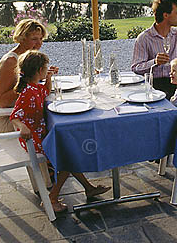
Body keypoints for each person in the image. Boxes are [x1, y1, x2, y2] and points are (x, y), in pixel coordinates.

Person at [10, 50, 110, 213]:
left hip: (39, 133)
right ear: (38, 71)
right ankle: (52, 198)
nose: (47, 70)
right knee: (67, 157)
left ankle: (89, 188)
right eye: (45, 68)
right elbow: (14, 115)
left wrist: (48, 78)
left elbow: (46, 91)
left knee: (70, 150)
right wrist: (22, 126)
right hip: (32, 139)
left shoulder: (35, 86)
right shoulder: (28, 93)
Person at [0, 19, 55, 133]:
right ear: (22, 39)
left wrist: (43, 75)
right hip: (5, 117)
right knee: (50, 123)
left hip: (17, 110)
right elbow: (3, 102)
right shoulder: (11, 61)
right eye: (34, 39)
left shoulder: (28, 58)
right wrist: (29, 82)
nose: (39, 43)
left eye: (41, 39)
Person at [131, 0, 177, 99]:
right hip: (153, 86)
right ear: (166, 15)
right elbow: (136, 68)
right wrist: (154, 62)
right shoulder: (144, 38)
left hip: (176, 83)